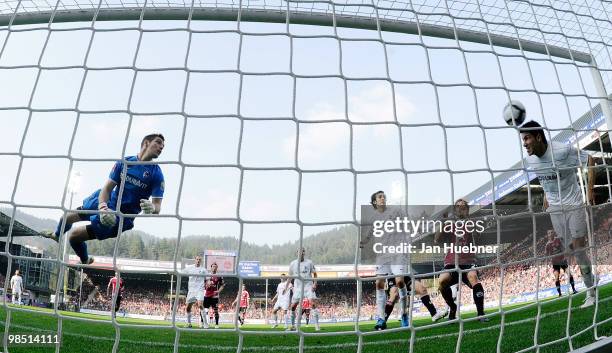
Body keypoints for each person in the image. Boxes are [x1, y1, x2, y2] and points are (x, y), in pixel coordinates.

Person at [42, 134, 165, 265]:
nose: (161, 147)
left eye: (163, 146)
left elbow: (157, 206)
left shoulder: (156, 174)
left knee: (73, 237)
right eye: (158, 142)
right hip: (106, 202)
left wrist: (153, 208)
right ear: (146, 143)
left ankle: (85, 260)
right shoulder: (125, 163)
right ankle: (57, 235)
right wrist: (102, 207)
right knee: (66, 217)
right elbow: (106, 189)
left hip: (119, 218)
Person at [520, 120, 596, 308]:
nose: (524, 143)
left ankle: (591, 291)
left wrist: (591, 190)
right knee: (570, 249)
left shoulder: (562, 151)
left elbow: (590, 160)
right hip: (554, 208)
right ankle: (590, 277)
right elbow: (547, 177)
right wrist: (547, 194)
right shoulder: (530, 160)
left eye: (527, 138)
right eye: (523, 139)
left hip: (574, 203)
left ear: (538, 137)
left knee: (578, 249)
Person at [360, 191, 411, 330]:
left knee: (399, 281)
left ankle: (404, 314)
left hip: (397, 252)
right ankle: (381, 319)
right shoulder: (374, 218)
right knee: (379, 284)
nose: (383, 198)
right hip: (382, 254)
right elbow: (370, 233)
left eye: (384, 196)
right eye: (380, 197)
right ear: (375, 202)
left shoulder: (395, 211)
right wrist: (363, 241)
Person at [435, 199, 488, 322]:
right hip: (451, 262)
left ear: (467, 210)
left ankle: (481, 314)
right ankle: (453, 308)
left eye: (463, 207)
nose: (460, 208)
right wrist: (443, 223)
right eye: (458, 207)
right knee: (442, 281)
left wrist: (470, 223)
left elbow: (479, 236)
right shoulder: (450, 224)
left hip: (468, 262)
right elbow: (437, 239)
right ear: (454, 210)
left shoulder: (472, 223)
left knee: (473, 277)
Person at [288, 248, 320, 331]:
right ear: (297, 253)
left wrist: (315, 283)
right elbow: (290, 277)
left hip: (308, 286)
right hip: (298, 288)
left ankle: (317, 325)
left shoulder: (309, 262)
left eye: (302, 251)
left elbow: (315, 274)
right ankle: (292, 325)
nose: (301, 253)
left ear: (304, 253)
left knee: (312, 304)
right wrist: (286, 287)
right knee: (293, 307)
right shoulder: (292, 264)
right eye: (299, 251)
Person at [545, 229, 578, 296]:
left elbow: (563, 247)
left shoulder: (558, 239)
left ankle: (574, 289)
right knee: (556, 277)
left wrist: (565, 255)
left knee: (569, 274)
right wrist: (546, 265)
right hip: (555, 263)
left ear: (554, 233)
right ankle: (560, 294)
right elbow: (546, 255)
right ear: (547, 235)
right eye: (549, 233)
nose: (551, 234)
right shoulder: (547, 245)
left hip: (562, 260)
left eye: (551, 232)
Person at [184, 255, 207, 328]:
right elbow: (181, 272)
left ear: (201, 261)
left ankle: (205, 323)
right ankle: (189, 323)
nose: (198, 261)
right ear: (195, 260)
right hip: (191, 291)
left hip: (199, 290)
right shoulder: (190, 268)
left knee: (200, 305)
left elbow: (208, 278)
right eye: (197, 259)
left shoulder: (203, 270)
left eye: (199, 259)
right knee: (188, 307)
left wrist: (209, 282)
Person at [204, 262, 225, 328]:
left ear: (217, 268)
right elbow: (203, 284)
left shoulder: (219, 276)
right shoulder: (207, 275)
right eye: (213, 266)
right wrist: (207, 285)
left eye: (215, 266)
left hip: (215, 295)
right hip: (207, 295)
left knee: (215, 310)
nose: (214, 268)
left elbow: (223, 285)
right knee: (205, 310)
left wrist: (218, 291)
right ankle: (204, 323)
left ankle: (216, 324)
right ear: (211, 267)